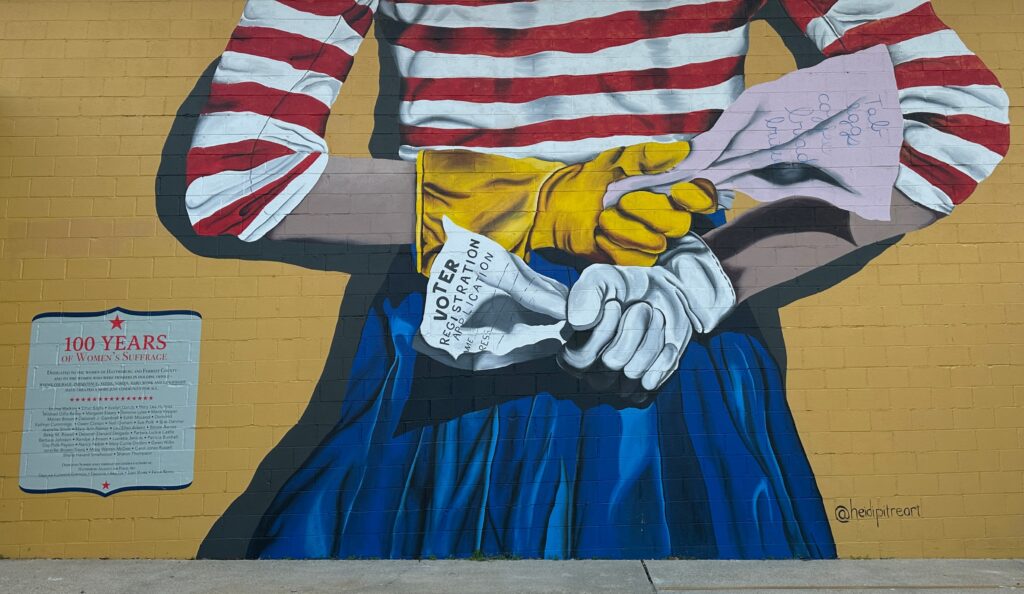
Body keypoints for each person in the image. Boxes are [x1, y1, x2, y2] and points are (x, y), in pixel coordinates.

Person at [182, 0, 1009, 559]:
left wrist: (689, 278)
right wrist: (688, 269)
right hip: (651, 340)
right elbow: (955, 126)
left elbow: (242, 177)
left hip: (477, 341)